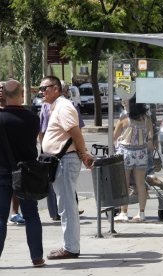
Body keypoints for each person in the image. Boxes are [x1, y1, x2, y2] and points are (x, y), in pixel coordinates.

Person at [40, 75, 94, 260]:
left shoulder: (63, 107)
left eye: (44, 88)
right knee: (64, 204)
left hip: (65, 160)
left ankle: (71, 247)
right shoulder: (54, 106)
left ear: (56, 88)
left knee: (67, 205)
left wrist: (84, 153)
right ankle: (69, 245)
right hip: (60, 160)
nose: (41, 92)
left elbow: (75, 133)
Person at [0, 79, 45, 267]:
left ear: (3, 96)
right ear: (22, 94)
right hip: (26, 173)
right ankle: (36, 257)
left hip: (2, 173)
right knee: (31, 214)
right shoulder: (33, 118)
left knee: (1, 217)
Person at [113, 100, 153, 223]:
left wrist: (121, 138)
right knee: (140, 184)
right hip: (141, 153)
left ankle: (124, 212)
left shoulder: (124, 118)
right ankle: (141, 213)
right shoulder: (146, 119)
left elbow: (115, 135)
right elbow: (150, 136)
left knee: (124, 184)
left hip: (126, 153)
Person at [0, 81, 26, 225]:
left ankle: (15, 212)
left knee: (16, 188)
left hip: (15, 160)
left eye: (1, 89)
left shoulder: (16, 111)